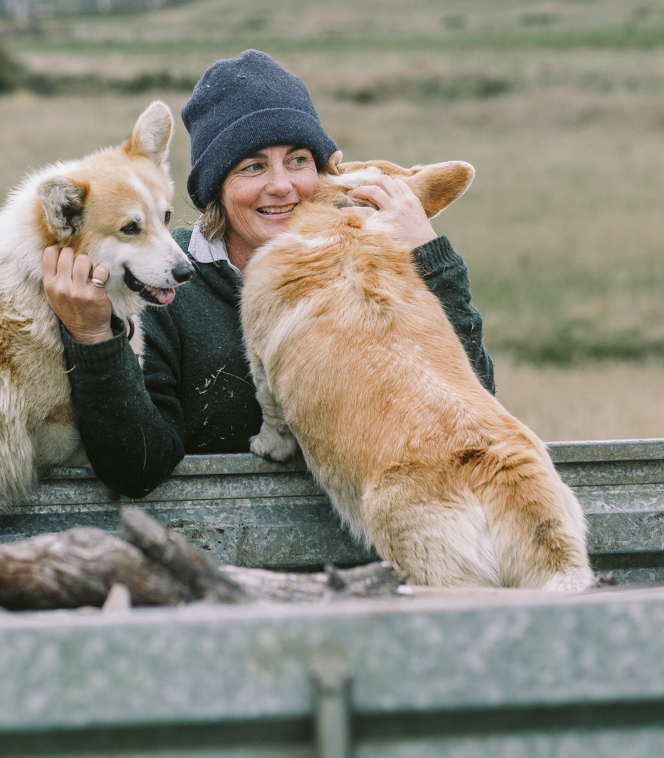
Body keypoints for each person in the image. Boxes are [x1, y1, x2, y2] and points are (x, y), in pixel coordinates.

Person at [43, 50, 495, 498]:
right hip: (220, 551)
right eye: (253, 167)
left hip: (374, 539)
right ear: (216, 188)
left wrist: (426, 257)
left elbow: (473, 414)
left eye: (298, 161)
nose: (281, 186)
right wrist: (92, 336)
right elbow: (137, 467)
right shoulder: (164, 280)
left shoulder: (359, 263)